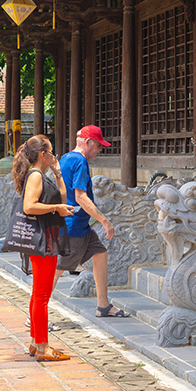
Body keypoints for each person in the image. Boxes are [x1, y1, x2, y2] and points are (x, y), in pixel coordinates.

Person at [12, 134, 77, 361]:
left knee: (40, 294)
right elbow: (30, 206)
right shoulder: (35, 176)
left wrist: (58, 172)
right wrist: (55, 208)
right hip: (42, 241)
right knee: (42, 296)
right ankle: (42, 346)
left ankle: (34, 342)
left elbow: (62, 196)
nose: (53, 156)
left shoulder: (41, 175)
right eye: (51, 152)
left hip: (46, 238)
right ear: (43, 154)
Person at [58, 125, 127, 318]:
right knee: (55, 270)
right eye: (98, 145)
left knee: (101, 254)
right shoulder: (80, 162)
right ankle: (35, 313)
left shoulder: (66, 158)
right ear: (88, 142)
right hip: (73, 227)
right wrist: (104, 220)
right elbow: (80, 196)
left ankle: (103, 305)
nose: (99, 150)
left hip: (78, 225)